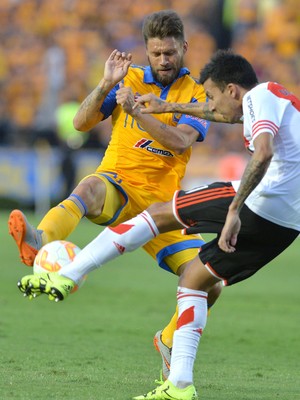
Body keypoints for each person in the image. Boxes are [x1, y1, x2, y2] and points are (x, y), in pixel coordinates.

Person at [18, 49, 300, 399]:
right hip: (288, 222)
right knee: (196, 279)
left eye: (211, 95)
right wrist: (171, 108)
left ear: (232, 90)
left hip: (262, 199)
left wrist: (233, 210)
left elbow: (263, 151)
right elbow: (222, 116)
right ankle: (179, 386)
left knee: (158, 214)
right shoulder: (277, 101)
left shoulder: (260, 95)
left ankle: (67, 274)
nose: (210, 105)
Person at [9, 10, 225, 381]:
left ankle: (169, 340)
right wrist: (105, 84)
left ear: (184, 48)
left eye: (170, 52)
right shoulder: (128, 80)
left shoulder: (198, 94)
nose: (163, 60)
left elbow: (179, 142)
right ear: (146, 50)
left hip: (163, 210)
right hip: (119, 187)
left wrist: (137, 113)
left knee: (212, 280)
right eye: (156, 53)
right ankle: (41, 242)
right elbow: (80, 123)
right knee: (91, 186)